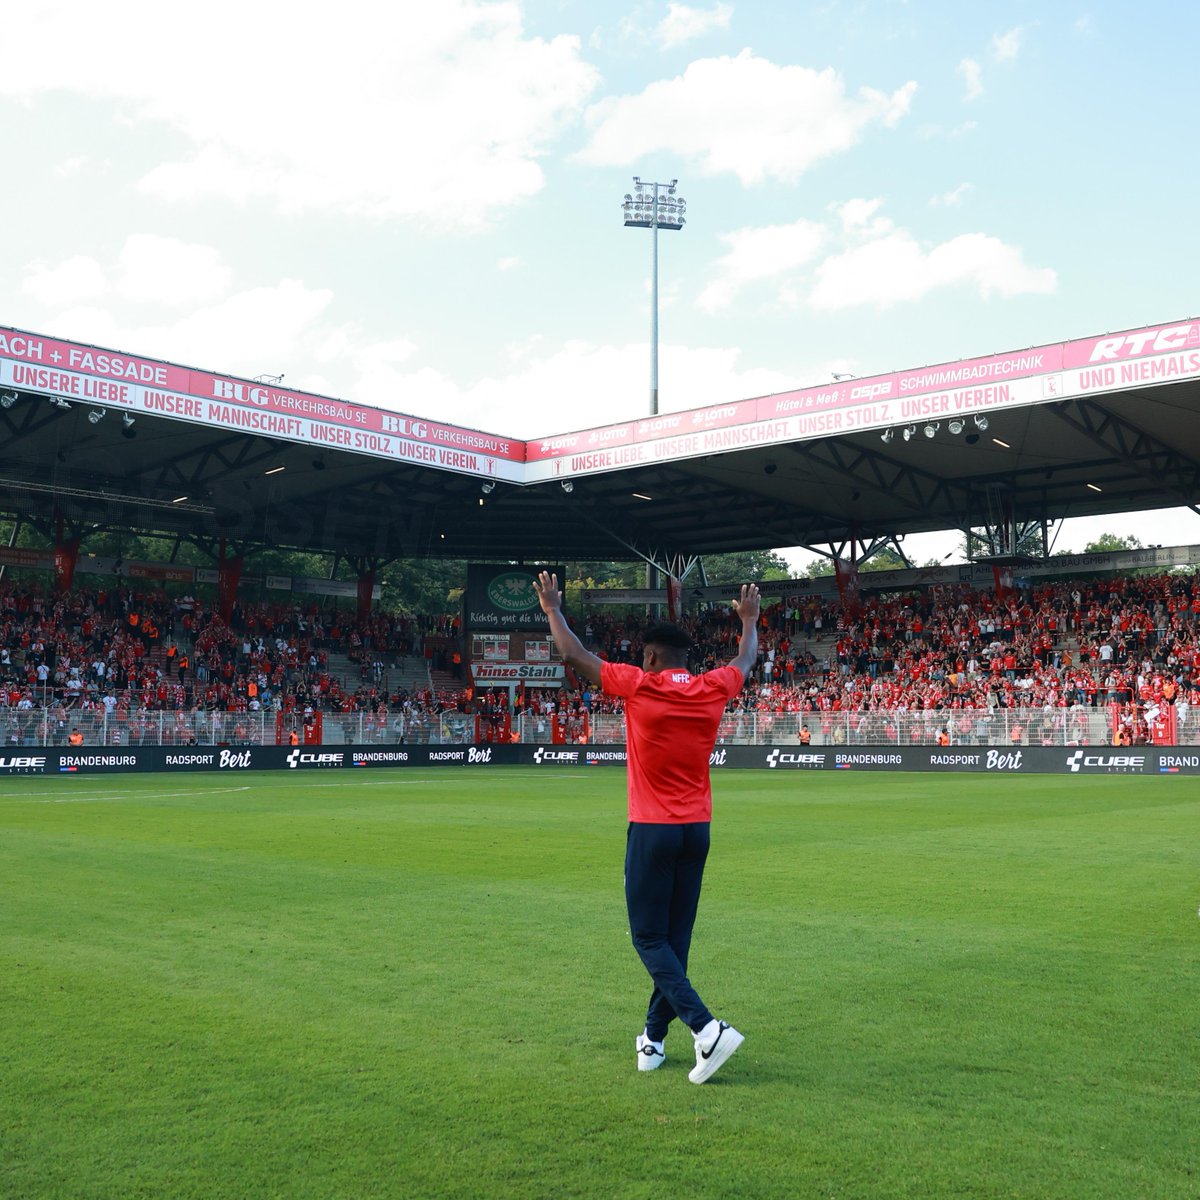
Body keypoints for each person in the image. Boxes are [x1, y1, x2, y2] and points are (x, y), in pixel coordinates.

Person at [534, 570, 760, 1085]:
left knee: (647, 937)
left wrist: (552, 609)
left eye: (643, 657)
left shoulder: (640, 685)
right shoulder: (711, 688)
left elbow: (574, 656)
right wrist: (748, 621)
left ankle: (706, 1029)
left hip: (652, 827)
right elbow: (745, 660)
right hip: (696, 829)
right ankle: (654, 1040)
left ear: (653, 658)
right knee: (674, 938)